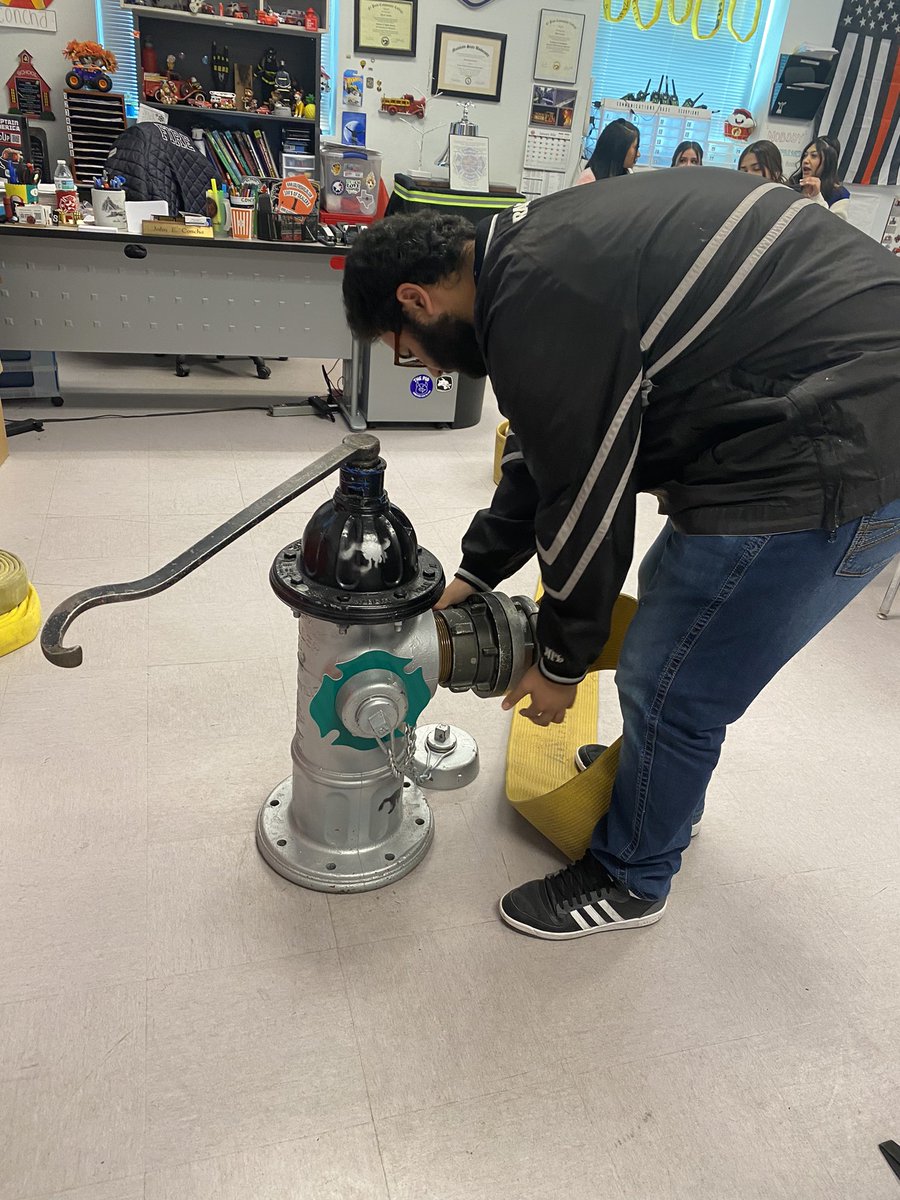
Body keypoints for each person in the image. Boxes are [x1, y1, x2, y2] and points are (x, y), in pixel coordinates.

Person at [341, 170, 900, 941]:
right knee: (673, 608)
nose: (425, 370)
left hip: (843, 444)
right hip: (823, 403)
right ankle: (659, 790)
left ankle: (633, 877)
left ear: (416, 299)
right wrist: (474, 573)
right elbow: (548, 448)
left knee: (676, 679)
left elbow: (586, 497)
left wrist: (562, 666)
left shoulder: (537, 298)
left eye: (407, 352)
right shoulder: (527, 258)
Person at [789, 137, 850, 219]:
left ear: (828, 162)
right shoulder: (791, 185)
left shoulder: (839, 195)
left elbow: (833, 228)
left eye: (814, 156)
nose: (806, 160)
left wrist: (816, 197)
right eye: (805, 155)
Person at [575, 118, 639, 185]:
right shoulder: (589, 179)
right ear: (619, 149)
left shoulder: (628, 174)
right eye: (635, 148)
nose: (638, 154)